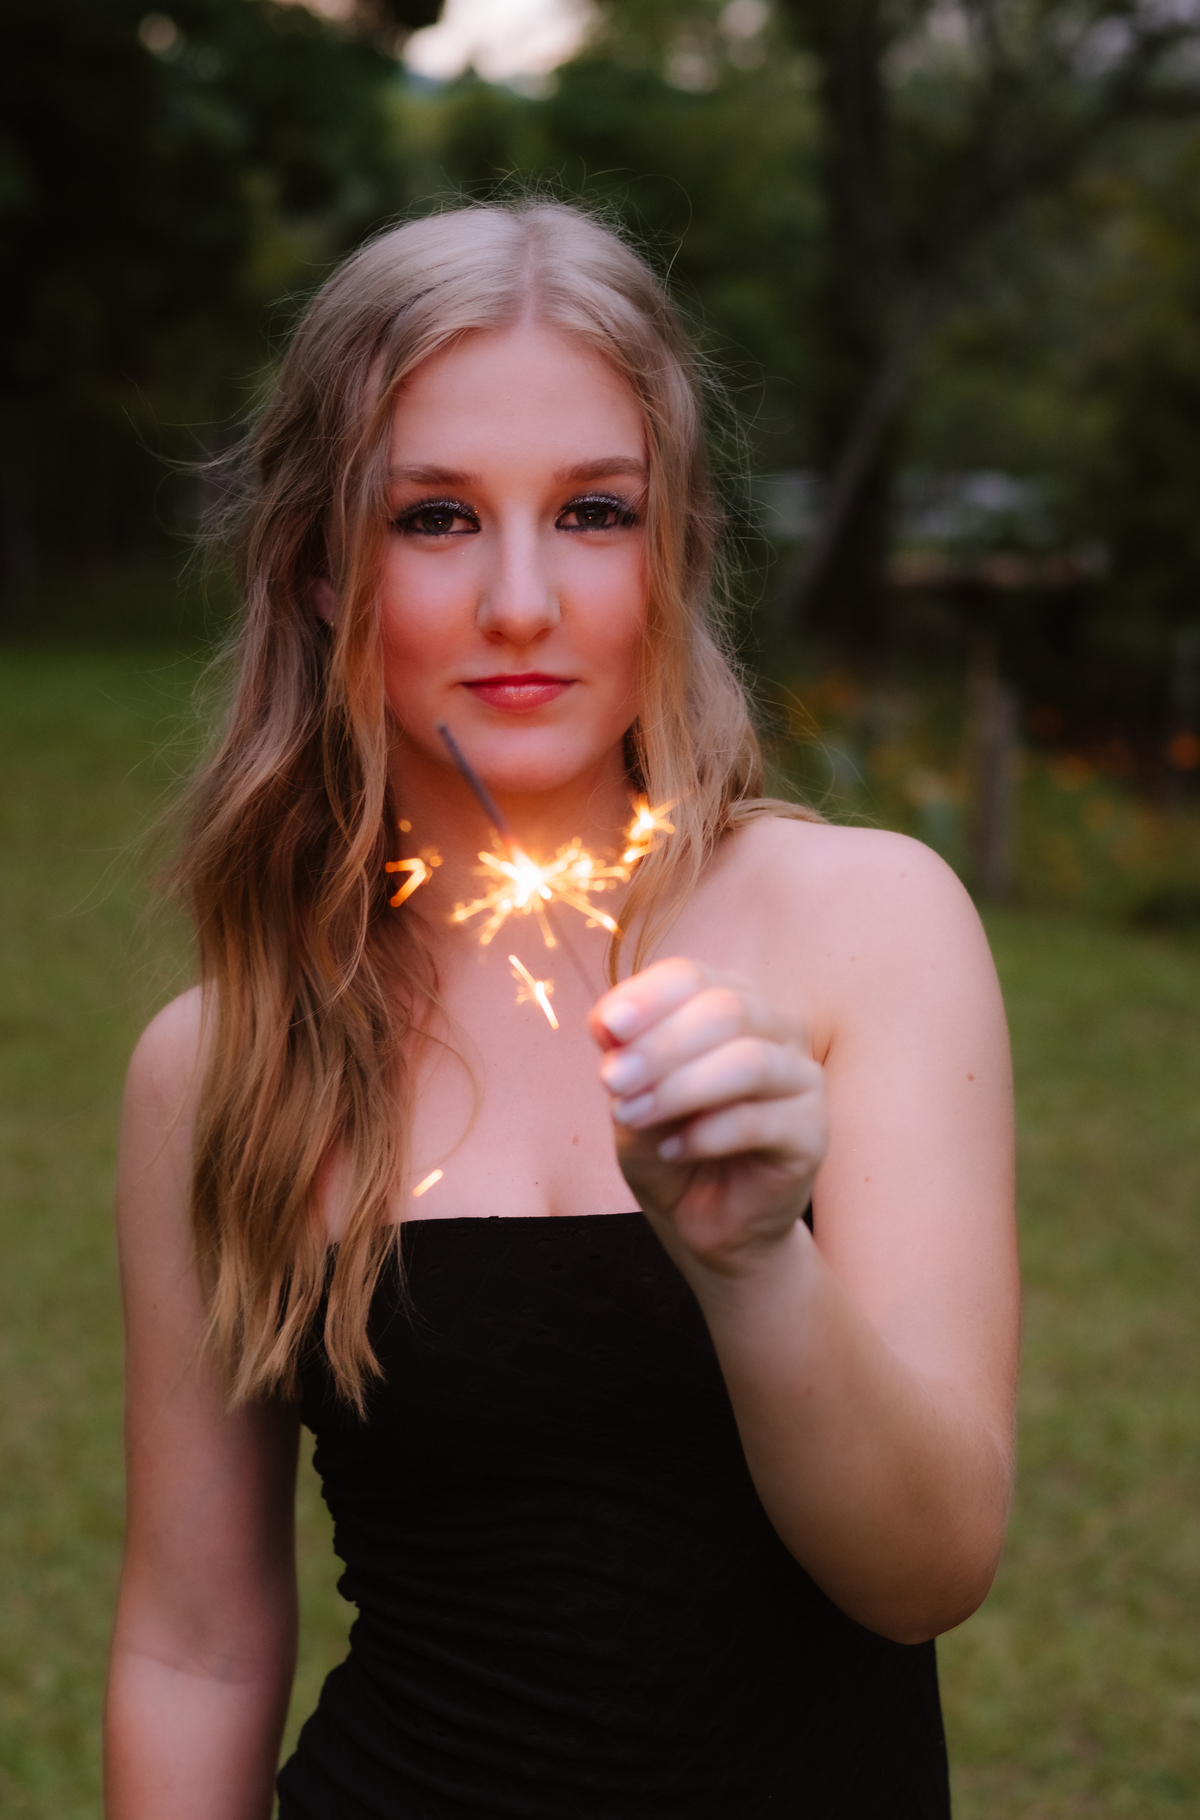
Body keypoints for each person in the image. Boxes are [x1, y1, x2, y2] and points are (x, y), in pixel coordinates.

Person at [103, 201, 1019, 1820]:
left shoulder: (870, 927)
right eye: (435, 519)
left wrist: (751, 1268)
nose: (520, 601)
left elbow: (928, 1570)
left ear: (678, 549)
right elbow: (195, 1644)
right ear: (322, 566)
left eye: (595, 512)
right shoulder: (227, 1057)